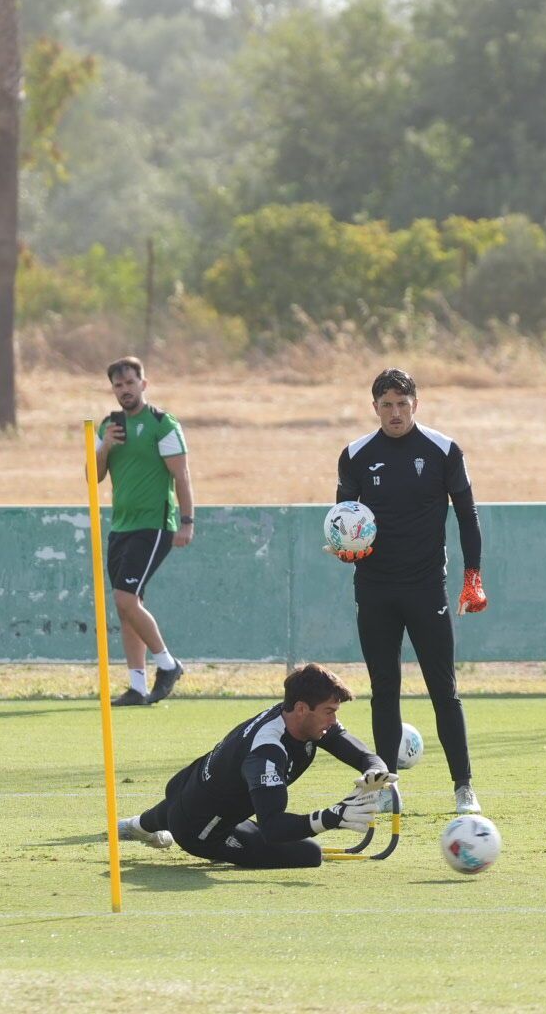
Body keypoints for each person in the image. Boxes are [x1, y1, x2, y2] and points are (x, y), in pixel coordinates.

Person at [332, 367, 487, 814]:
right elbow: (345, 518)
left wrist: (472, 574)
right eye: (387, 405)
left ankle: (463, 787)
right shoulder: (356, 455)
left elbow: (467, 516)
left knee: (444, 689)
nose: (395, 412)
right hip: (375, 589)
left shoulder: (443, 450)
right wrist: (346, 549)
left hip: (426, 589)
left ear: (415, 404)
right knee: (385, 689)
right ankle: (384, 789)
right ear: (374, 407)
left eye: (403, 404)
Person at [118, 663, 398, 868]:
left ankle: (135, 826)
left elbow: (355, 750)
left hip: (190, 788)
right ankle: (160, 829)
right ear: (302, 708)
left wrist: (375, 767)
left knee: (191, 803)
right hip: (203, 832)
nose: (333, 721)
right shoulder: (266, 751)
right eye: (329, 712)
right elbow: (273, 827)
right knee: (308, 855)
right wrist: (333, 816)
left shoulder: (294, 716)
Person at [95, 356, 193, 706]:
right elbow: (92, 476)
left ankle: (168, 664)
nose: (125, 390)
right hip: (121, 525)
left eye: (130, 383)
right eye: (118, 385)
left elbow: (181, 475)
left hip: (154, 525)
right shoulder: (108, 425)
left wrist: (187, 521)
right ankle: (137, 686)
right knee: (127, 606)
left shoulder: (162, 424)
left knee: (125, 597)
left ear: (143, 384)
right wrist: (105, 446)